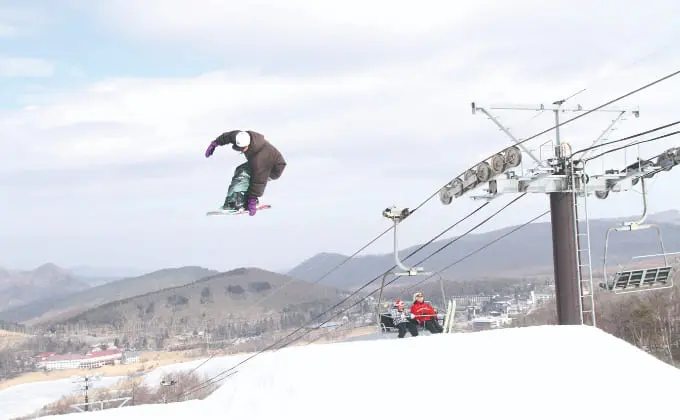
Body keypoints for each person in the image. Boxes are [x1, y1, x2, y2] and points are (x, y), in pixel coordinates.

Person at [205, 130, 287, 216]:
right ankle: (238, 199)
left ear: (248, 144)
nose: (242, 151)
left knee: (243, 174)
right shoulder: (241, 136)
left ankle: (237, 203)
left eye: (243, 149)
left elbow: (259, 180)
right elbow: (227, 136)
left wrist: (252, 200)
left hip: (274, 168)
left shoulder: (260, 158)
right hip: (263, 164)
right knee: (240, 170)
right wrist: (214, 143)